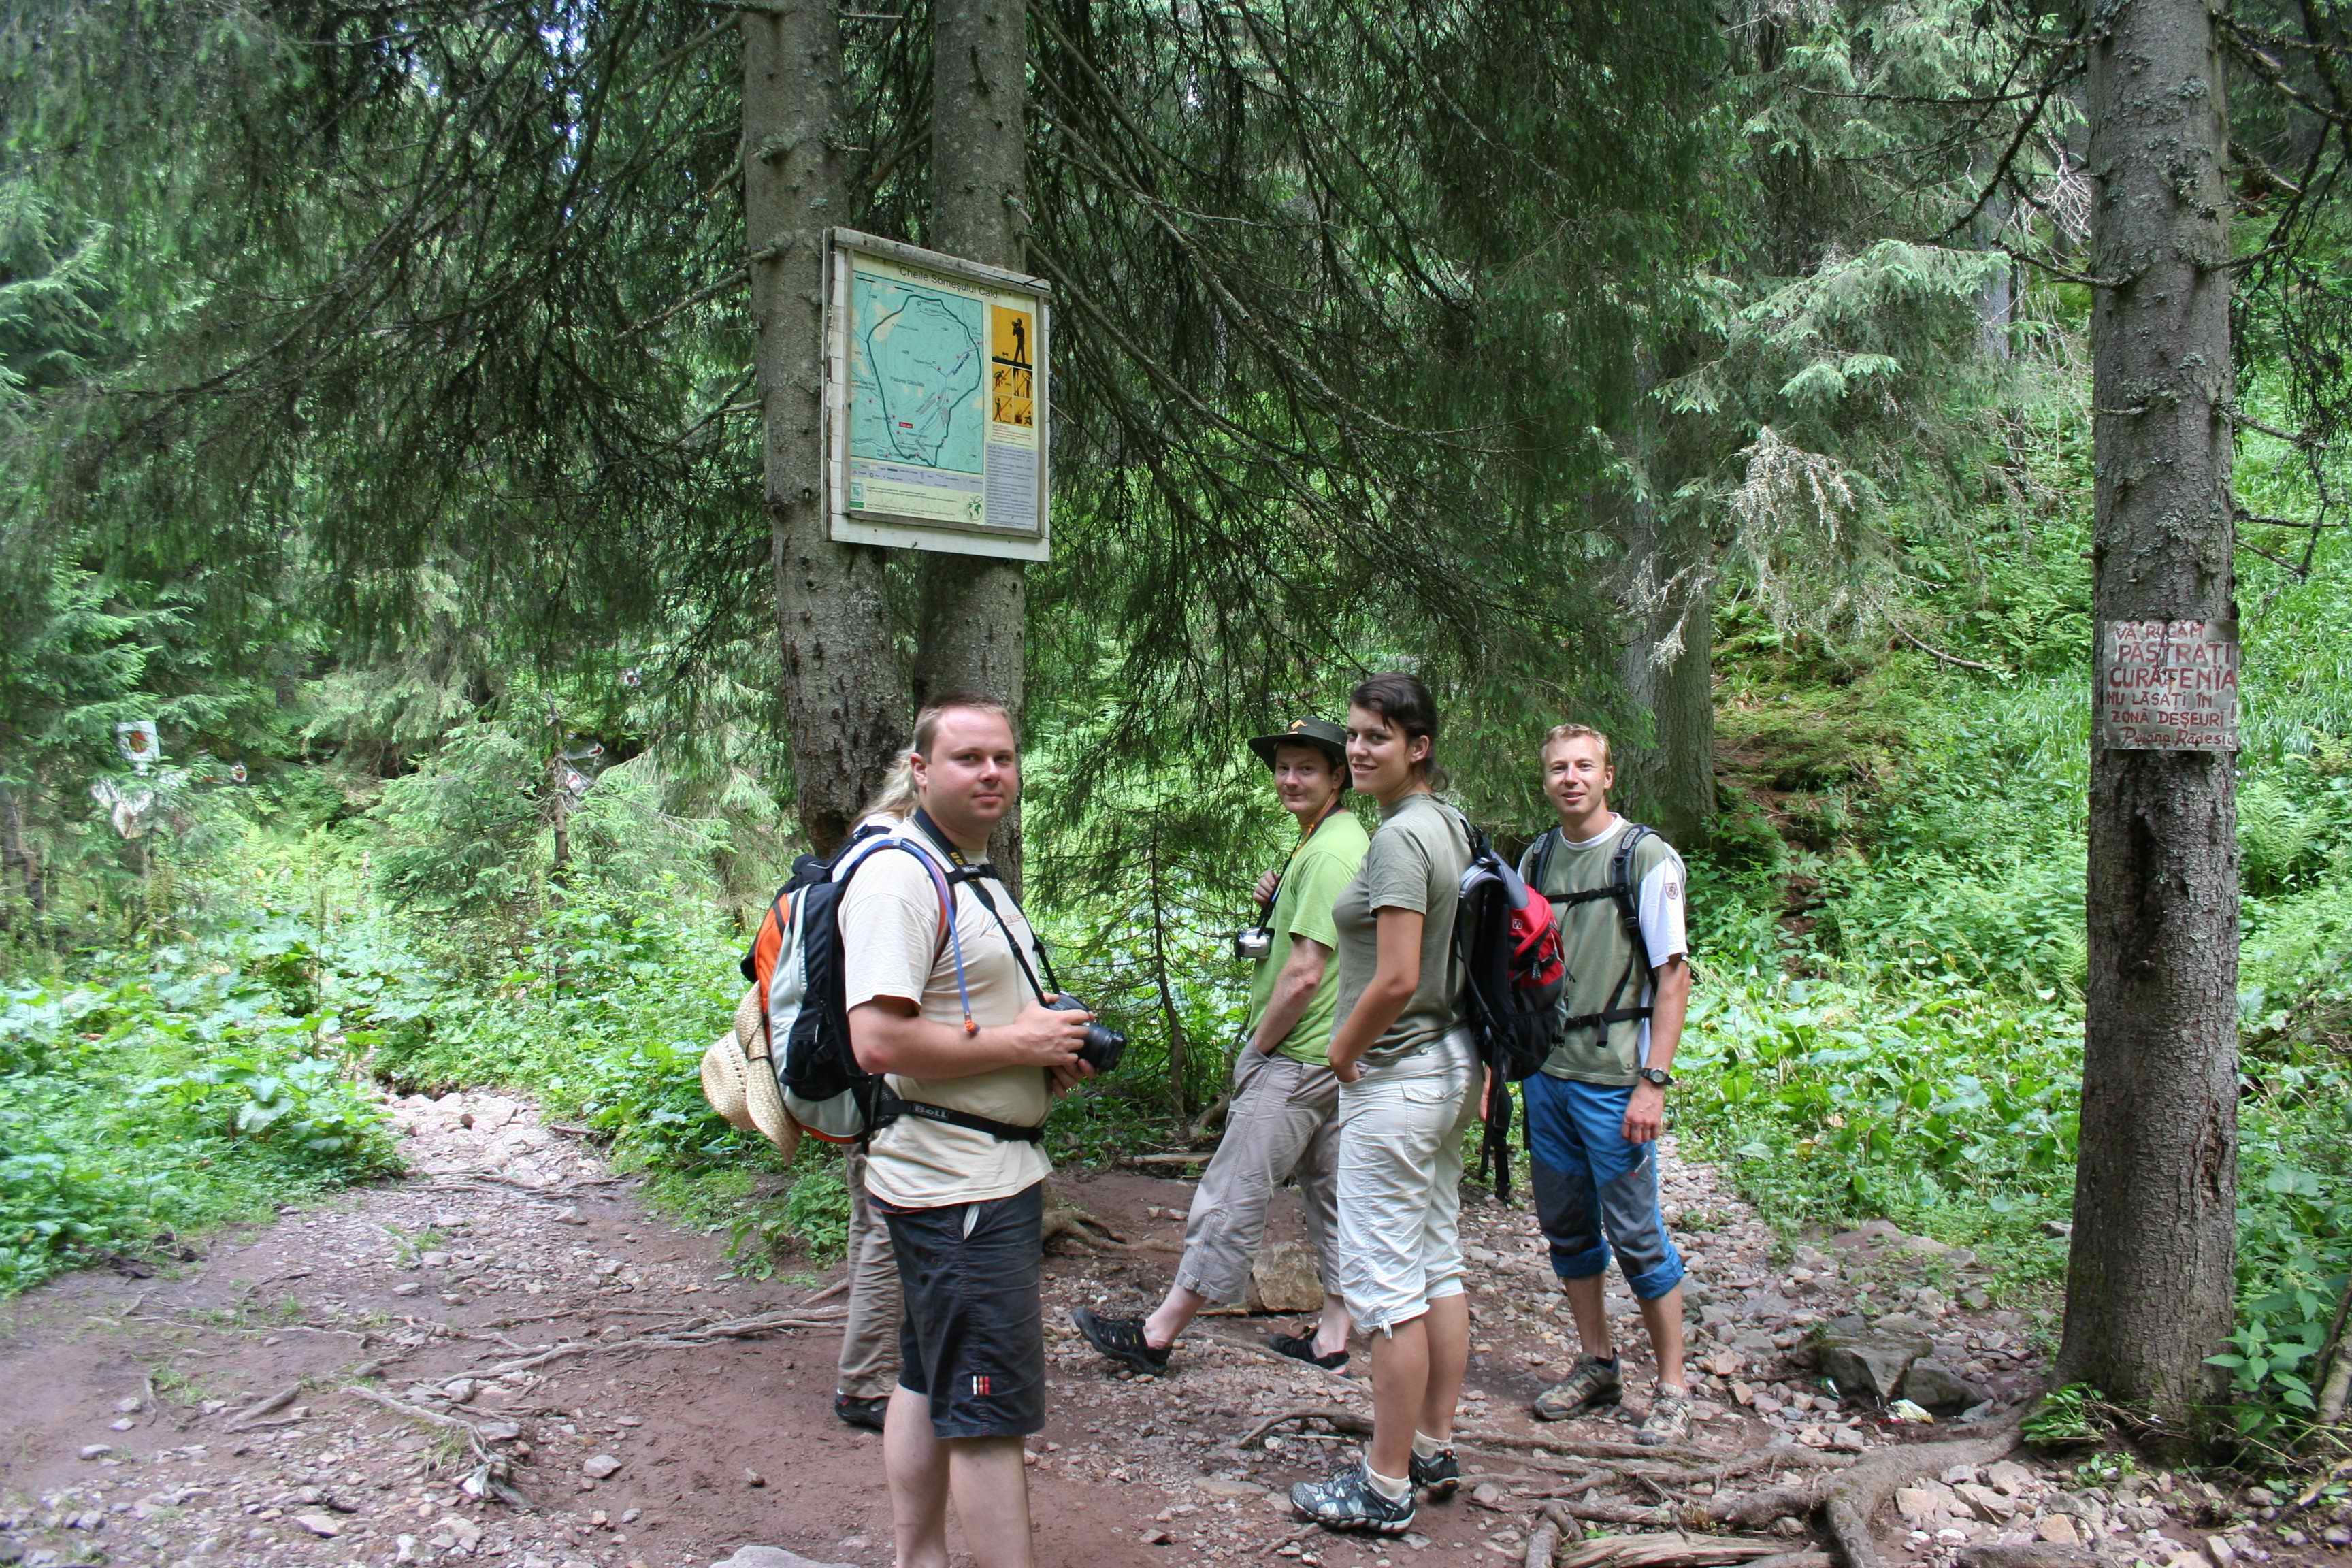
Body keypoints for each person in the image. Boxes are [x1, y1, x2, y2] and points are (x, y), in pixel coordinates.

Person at [843, 696, 1098, 1568]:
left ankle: (918, 1559)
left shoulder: (966, 868)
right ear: (920, 771)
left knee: (927, 1377)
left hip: (978, 1176)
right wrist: (1020, 1046)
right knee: (987, 1415)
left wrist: (1043, 1052)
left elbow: (966, 1014)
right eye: (968, 758)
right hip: (957, 1190)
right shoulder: (898, 879)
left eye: (1004, 757)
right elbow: (878, 1042)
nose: (992, 773)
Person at [1071, 716, 1369, 1375]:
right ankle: (1332, 1340)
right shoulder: (1332, 840)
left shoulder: (1327, 853)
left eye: (1307, 769)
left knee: (1232, 1190)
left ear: (1338, 777)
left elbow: (1305, 973)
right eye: (1283, 768)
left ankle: (1156, 1336)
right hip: (1334, 1055)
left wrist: (1259, 1049)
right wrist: (1279, 897)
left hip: (1296, 1056)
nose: (1290, 780)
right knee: (1332, 1195)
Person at [1290, 673, 1479, 1537]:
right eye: (1356, 735)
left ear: (1418, 746)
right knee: (1437, 1264)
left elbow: (1398, 976)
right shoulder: (1450, 825)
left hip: (1396, 1076)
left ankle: (1385, 1484)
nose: (1360, 750)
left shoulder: (1403, 836)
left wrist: (1341, 1050)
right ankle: (1432, 1445)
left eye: (1378, 737)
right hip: (1448, 1066)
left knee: (1390, 1290)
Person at [1514, 723, 1696, 1446]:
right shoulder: (1536, 857)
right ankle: (1597, 1364)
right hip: (1549, 1076)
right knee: (1566, 1228)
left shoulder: (1644, 857)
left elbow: (1673, 977)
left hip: (1614, 1079)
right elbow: (1519, 964)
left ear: (1608, 776)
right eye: (1558, 767)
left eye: (1584, 766)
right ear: (1546, 779)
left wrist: (1654, 1081)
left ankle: (1673, 1386)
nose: (1571, 778)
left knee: (1636, 1234)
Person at [834, 754, 921, 1433]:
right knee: (888, 1226)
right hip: (878, 1072)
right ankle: (867, 1383)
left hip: (852, 1069)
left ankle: (872, 1365)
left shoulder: (866, 841)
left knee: (871, 1219)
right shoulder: (895, 857)